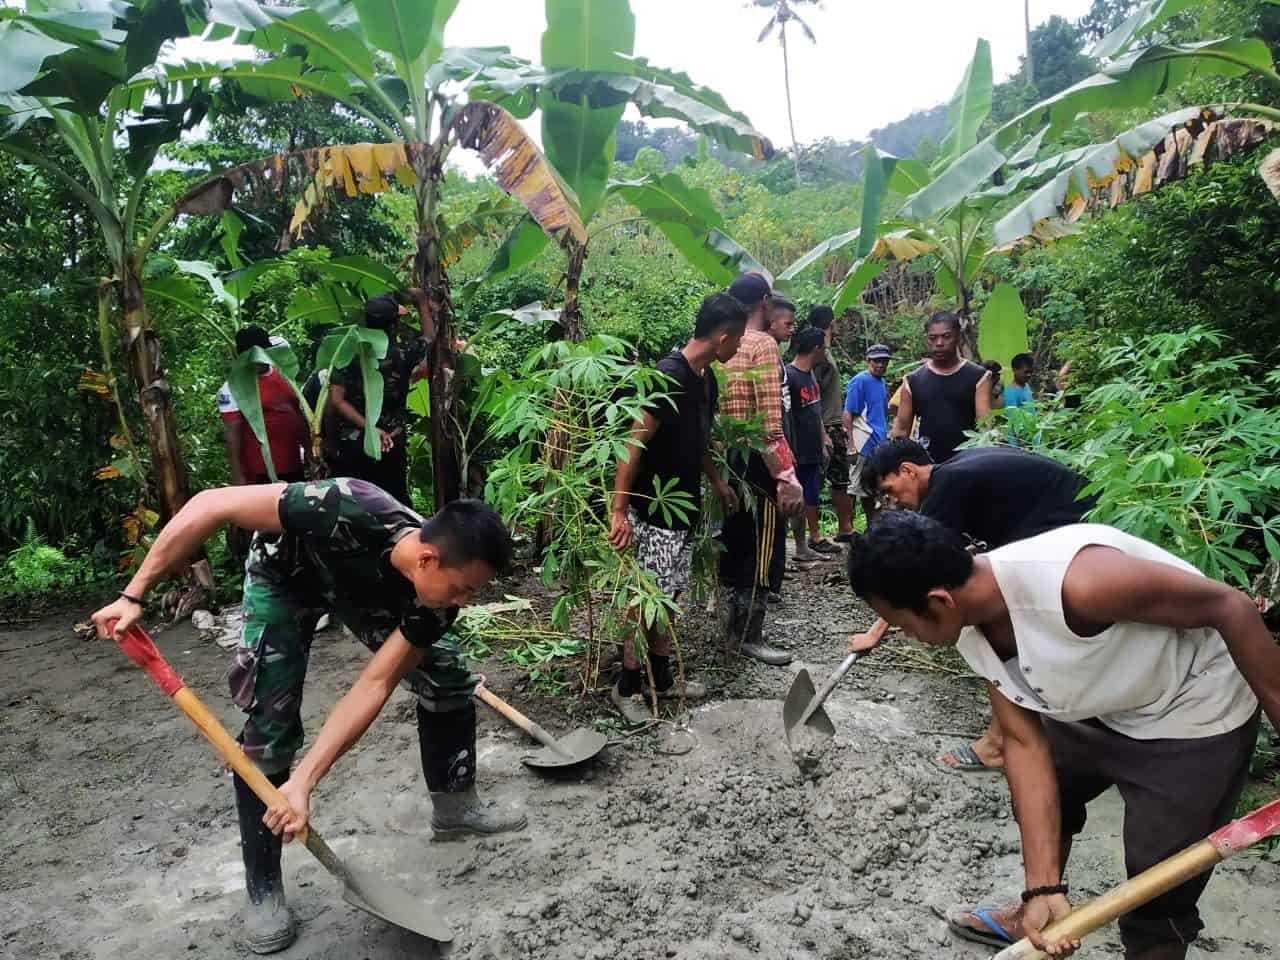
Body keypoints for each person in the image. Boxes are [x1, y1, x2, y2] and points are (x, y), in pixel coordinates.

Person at [90, 481, 522, 954]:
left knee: (445, 676)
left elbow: (374, 684)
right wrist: (132, 596)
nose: (463, 602)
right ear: (426, 560)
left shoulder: (435, 602)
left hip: (363, 591)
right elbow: (211, 504)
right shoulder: (343, 506)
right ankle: (264, 889)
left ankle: (456, 809)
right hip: (285, 576)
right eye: (461, 589)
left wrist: (305, 782)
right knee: (269, 724)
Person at [847, 510, 1277, 959]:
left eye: (899, 623)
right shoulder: (970, 625)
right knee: (1055, 782)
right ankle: (1037, 911)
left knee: (1160, 886)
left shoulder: (1079, 582)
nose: (904, 636)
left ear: (938, 602)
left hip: (1192, 712)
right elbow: (1023, 742)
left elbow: (1232, 607)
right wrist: (1042, 885)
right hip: (1099, 700)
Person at [853, 437, 1098, 772]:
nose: (893, 502)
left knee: (985, 619)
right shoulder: (955, 468)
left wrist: (875, 632)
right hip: (1075, 523)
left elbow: (912, 581)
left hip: (1078, 537)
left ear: (907, 470)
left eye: (889, 490)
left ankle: (1000, 742)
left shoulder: (946, 488)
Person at [607, 293, 746, 723]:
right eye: (738, 339)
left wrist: (718, 481)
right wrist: (618, 510)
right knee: (643, 598)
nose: (739, 347)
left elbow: (698, 439)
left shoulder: (705, 378)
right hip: (653, 510)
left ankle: (661, 678)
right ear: (723, 336)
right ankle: (627, 686)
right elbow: (633, 443)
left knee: (668, 596)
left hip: (683, 506)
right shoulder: (669, 376)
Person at [719, 272, 804, 666]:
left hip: (725, 456)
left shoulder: (722, 343)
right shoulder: (763, 345)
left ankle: (731, 630)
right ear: (764, 301)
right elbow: (771, 423)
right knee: (763, 547)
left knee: (736, 540)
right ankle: (747, 636)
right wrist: (786, 476)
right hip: (758, 460)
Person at [329, 289, 437, 505]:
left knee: (357, 503)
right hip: (389, 441)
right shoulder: (401, 354)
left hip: (353, 441)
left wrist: (369, 427)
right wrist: (423, 305)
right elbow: (429, 339)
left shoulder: (345, 352)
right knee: (392, 502)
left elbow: (337, 400)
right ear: (392, 326)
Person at [217, 327, 310, 560]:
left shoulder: (284, 374)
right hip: (259, 472)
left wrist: (310, 450)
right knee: (267, 527)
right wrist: (238, 477)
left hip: (294, 466)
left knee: (296, 522)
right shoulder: (234, 387)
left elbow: (299, 414)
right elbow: (233, 433)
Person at [892, 312, 991, 463]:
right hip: (927, 467)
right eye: (933, 338)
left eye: (946, 336)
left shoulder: (979, 377)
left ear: (958, 337)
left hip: (967, 464)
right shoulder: (912, 381)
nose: (939, 343)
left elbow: (985, 427)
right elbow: (901, 430)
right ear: (927, 340)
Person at [807, 306, 857, 543]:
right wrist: (821, 430)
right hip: (825, 425)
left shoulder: (826, 353)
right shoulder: (819, 355)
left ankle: (845, 528)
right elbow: (812, 393)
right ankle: (815, 535)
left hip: (834, 424)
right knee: (815, 479)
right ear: (830, 323)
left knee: (840, 479)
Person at [784, 327, 833, 563]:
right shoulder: (789, 376)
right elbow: (784, 416)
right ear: (816, 348)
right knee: (790, 502)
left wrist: (824, 438)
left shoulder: (811, 375)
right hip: (796, 450)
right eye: (824, 347)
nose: (826, 351)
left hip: (813, 449)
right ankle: (781, 554)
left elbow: (815, 411)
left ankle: (802, 547)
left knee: (806, 499)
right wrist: (787, 450)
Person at [843, 343, 892, 526]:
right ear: (868, 361)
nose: (880, 365)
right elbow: (848, 413)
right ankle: (847, 528)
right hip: (863, 440)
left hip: (879, 442)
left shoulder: (881, 382)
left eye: (884, 361)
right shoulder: (859, 381)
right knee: (854, 486)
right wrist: (850, 444)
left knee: (872, 488)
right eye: (876, 361)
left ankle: (872, 526)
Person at [1004, 352, 1037, 445]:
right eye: (1026, 372)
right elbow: (1012, 423)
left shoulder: (1026, 386)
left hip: (1034, 438)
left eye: (1031, 372)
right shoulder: (1011, 392)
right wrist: (1015, 448)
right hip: (1024, 443)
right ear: (1015, 370)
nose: (1029, 375)